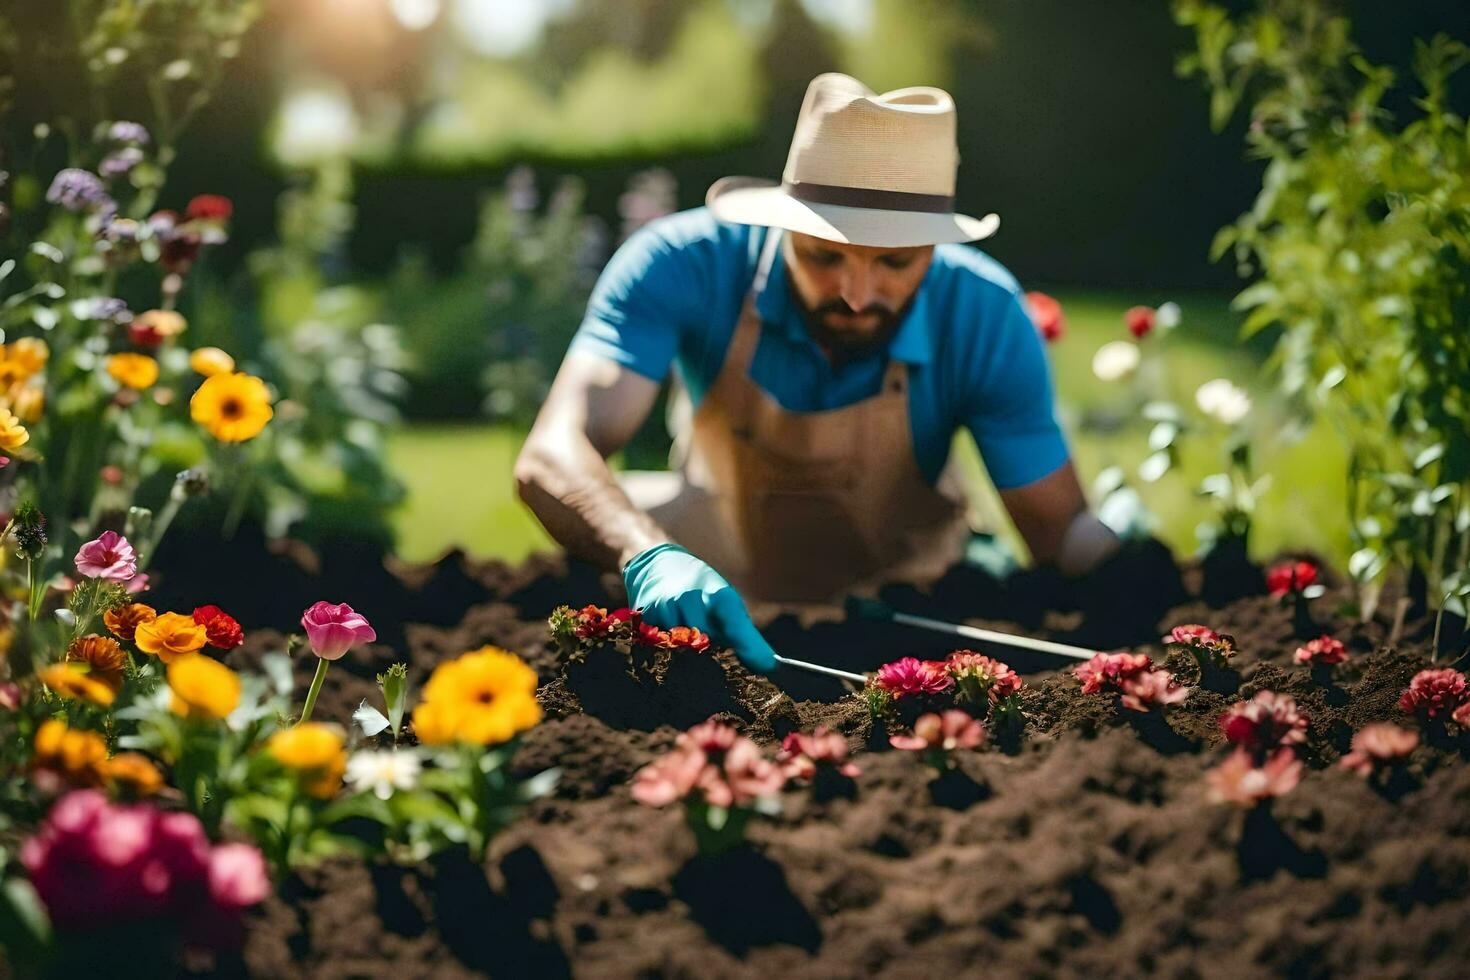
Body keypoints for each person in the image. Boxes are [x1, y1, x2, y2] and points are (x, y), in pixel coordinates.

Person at [516, 72, 1178, 674]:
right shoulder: (684, 264)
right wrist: (643, 554)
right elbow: (552, 452)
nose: (858, 294)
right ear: (782, 226)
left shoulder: (983, 315)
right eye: (825, 256)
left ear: (937, 248)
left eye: (895, 263)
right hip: (711, 608)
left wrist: (1126, 557)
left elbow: (1057, 532)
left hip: (912, 623)